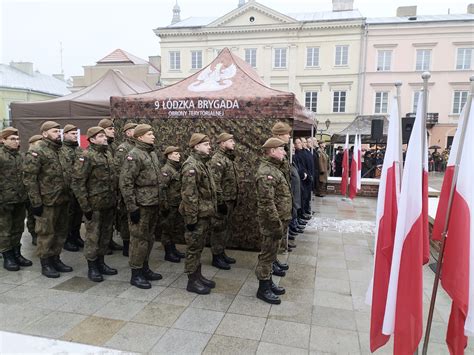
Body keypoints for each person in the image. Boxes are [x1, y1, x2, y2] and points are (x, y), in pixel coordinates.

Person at [23, 121, 72, 278]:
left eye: (59, 131)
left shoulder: (62, 150)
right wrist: (36, 202)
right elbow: (30, 179)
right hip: (47, 201)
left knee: (61, 231)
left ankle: (56, 258)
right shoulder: (37, 151)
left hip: (63, 199)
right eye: (54, 131)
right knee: (46, 233)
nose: (58, 133)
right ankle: (46, 263)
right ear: (44, 134)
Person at [72, 127, 118, 282]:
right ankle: (92, 267)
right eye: (100, 136)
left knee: (105, 236)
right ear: (91, 139)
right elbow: (78, 183)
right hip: (94, 205)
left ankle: (101, 262)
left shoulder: (107, 153)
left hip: (108, 203)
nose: (105, 138)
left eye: (104, 135)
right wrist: (85, 206)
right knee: (93, 237)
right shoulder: (86, 156)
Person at [120, 124, 162, 289]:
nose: (153, 136)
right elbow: (126, 182)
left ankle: (144, 267)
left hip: (153, 203)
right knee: (138, 240)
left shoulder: (151, 153)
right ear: (139, 137)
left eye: (153, 133)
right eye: (149, 134)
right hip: (141, 205)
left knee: (149, 238)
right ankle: (136, 273)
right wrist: (132, 207)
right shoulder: (134, 155)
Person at [255, 137, 291, 305]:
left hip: (279, 219)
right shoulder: (266, 172)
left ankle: (268, 282)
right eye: (281, 149)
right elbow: (266, 202)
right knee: (267, 255)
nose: (284, 152)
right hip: (272, 222)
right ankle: (263, 288)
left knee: (271, 254)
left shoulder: (275, 168)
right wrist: (275, 223)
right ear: (272, 151)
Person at [179, 133, 217, 295]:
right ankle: (192, 281)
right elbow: (189, 195)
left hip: (204, 213)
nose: (209, 147)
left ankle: (198, 275)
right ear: (196, 146)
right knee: (193, 248)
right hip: (196, 215)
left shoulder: (202, 163)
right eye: (206, 144)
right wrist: (192, 218)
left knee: (199, 246)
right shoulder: (191, 166)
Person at [0, 127, 32, 271]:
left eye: (18, 139)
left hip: (20, 199)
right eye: (12, 139)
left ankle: (17, 253)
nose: (16, 141)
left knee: (18, 228)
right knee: (5, 230)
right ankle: (8, 257)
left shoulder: (20, 155)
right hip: (4, 201)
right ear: (3, 140)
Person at [209, 132, 238, 270]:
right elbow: (215, 183)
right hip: (223, 201)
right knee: (218, 228)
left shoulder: (228, 158)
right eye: (230, 141)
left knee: (225, 228)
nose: (234, 143)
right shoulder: (217, 159)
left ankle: (221, 252)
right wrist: (220, 202)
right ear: (222, 143)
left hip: (229, 199)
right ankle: (216, 256)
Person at [98, 118, 122, 253]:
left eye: (113, 128)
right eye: (109, 129)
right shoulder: (101, 148)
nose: (113, 131)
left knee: (110, 220)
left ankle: (108, 241)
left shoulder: (112, 146)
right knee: (100, 222)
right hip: (101, 191)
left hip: (112, 189)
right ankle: (102, 245)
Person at [158, 145, 185, 263]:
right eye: (175, 154)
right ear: (169, 156)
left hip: (176, 204)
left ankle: (173, 249)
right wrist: (164, 204)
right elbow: (161, 188)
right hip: (169, 205)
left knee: (173, 228)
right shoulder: (166, 170)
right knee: (167, 229)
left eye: (178, 154)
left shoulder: (175, 168)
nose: (178, 156)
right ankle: (168, 252)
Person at [114, 122, 137, 257]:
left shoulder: (138, 147)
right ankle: (126, 244)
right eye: (133, 130)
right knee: (125, 217)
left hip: (136, 189)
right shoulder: (123, 148)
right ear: (127, 132)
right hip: (126, 188)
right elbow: (118, 170)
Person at [60, 124, 84, 252]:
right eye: (72, 133)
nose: (75, 135)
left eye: (76, 133)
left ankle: (76, 235)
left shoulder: (80, 150)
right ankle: (67, 239)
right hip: (68, 189)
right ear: (65, 135)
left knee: (78, 215)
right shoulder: (61, 150)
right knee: (68, 215)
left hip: (79, 189)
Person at [25, 134, 43, 246]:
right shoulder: (29, 156)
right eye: (39, 142)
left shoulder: (40, 156)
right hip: (28, 192)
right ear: (32, 144)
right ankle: (34, 235)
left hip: (40, 191)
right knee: (31, 215)